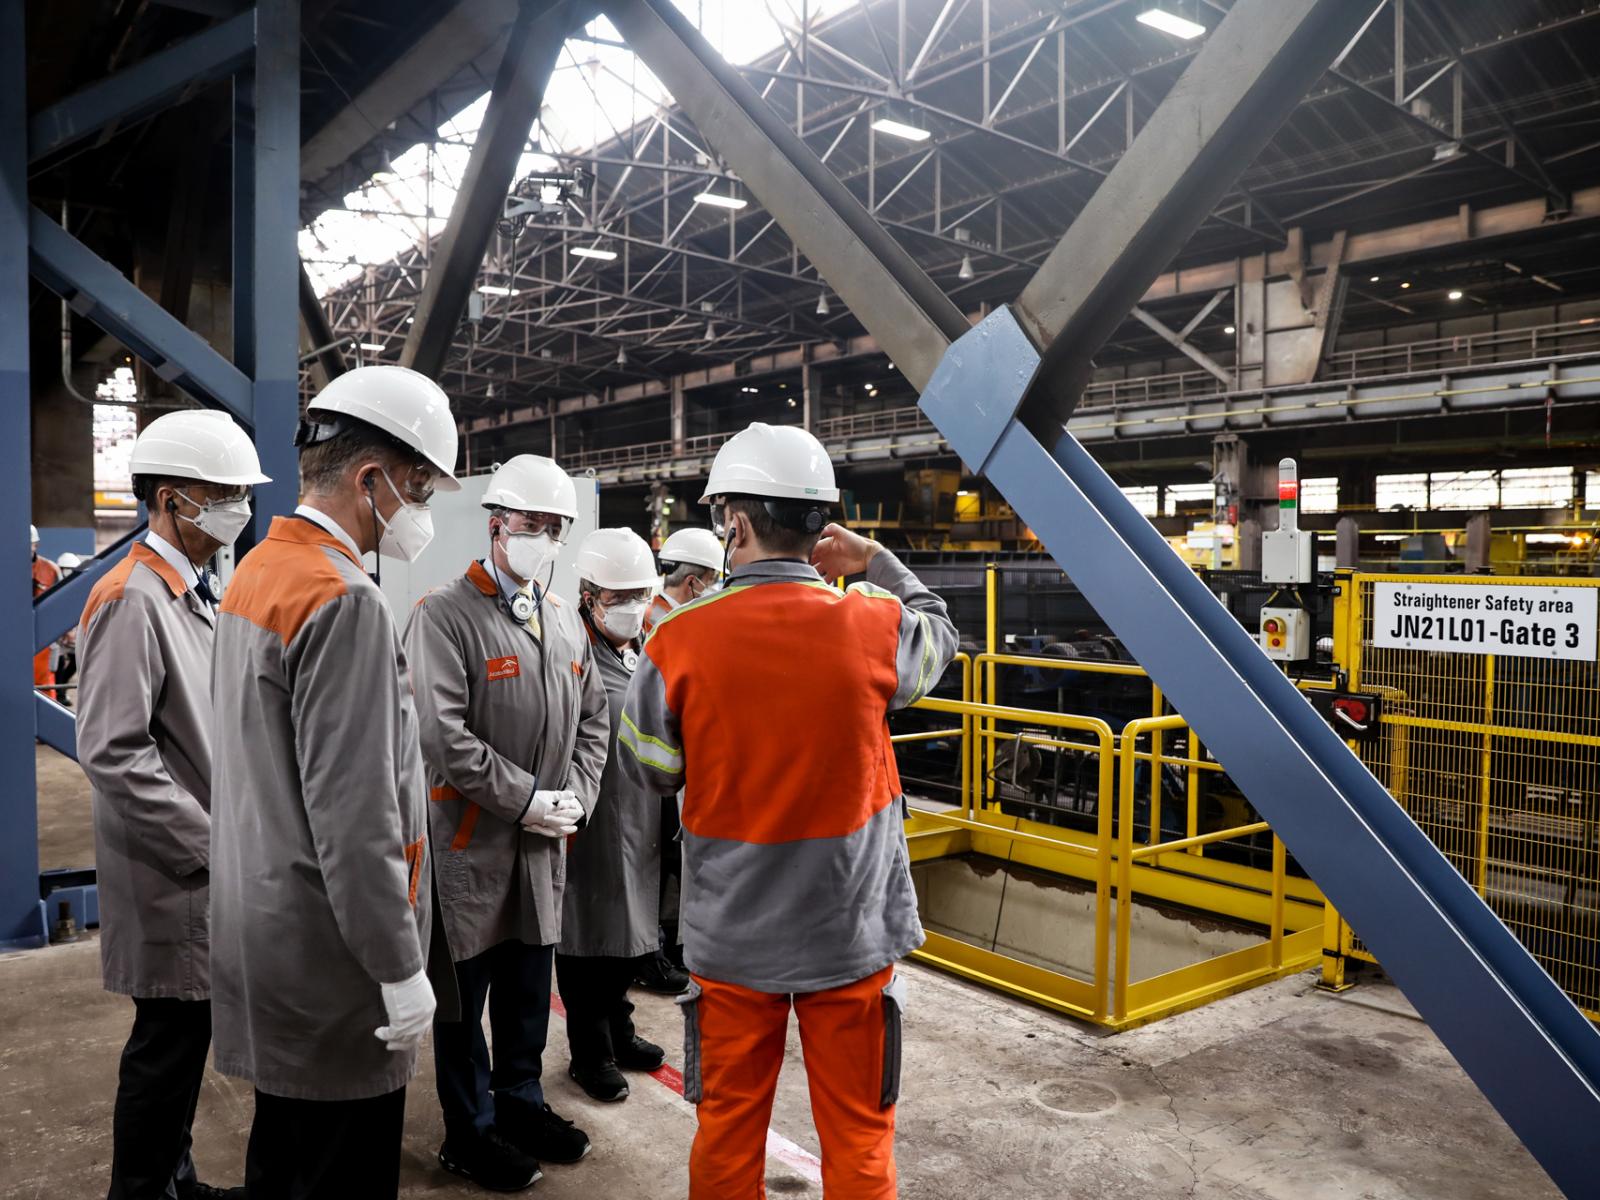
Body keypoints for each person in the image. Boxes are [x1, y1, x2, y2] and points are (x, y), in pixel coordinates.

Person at [619, 422, 958, 1200]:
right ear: (820, 526)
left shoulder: (675, 640)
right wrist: (873, 562)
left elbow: (653, 771)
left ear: (732, 522)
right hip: (852, 933)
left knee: (730, 1131)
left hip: (736, 941)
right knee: (861, 1138)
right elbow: (940, 628)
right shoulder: (873, 625)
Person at [209, 366, 459, 1200]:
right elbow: (356, 821)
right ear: (370, 480)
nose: (422, 512)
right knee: (338, 1167)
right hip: (335, 959)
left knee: (286, 1160)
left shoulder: (257, 572)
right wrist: (397, 963)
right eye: (420, 489)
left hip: (268, 932)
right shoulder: (343, 600)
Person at [76, 409, 269, 1200]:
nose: (235, 510)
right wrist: (213, 842)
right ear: (167, 499)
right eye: (218, 495)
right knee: (164, 1044)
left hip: (201, 864)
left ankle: (174, 1176)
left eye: (237, 494)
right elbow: (115, 751)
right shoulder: (131, 599)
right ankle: (141, 1188)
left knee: (185, 1040)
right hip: (173, 870)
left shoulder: (189, 589)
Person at [404, 453, 607, 1191]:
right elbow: (444, 738)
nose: (545, 540)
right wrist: (527, 800)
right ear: (497, 526)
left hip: (542, 846)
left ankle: (520, 1105)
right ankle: (470, 1132)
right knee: (464, 1007)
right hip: (473, 849)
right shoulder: (444, 615)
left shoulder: (561, 621)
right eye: (533, 525)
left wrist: (578, 793)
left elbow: (595, 717)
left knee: (528, 995)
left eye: (557, 529)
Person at [556, 527, 671, 1103]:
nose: (631, 607)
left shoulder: (643, 647)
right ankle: (590, 1051)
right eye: (618, 597)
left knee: (631, 932)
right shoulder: (569, 650)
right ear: (588, 595)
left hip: (641, 811)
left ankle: (620, 1031)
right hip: (593, 813)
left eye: (639, 595)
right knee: (587, 935)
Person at [635, 526, 723, 997]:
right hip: (664, 767)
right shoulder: (666, 624)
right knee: (664, 861)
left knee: (667, 863)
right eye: (713, 581)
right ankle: (653, 955)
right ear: (695, 584)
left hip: (660, 762)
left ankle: (660, 948)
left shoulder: (652, 613)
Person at [641, 526, 723, 636]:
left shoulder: (652, 614)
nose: (711, 587)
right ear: (691, 582)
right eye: (710, 580)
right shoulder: (668, 624)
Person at [32, 525, 62, 699]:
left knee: (44, 683)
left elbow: (63, 600)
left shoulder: (50, 569)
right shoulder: (7, 569)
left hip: (44, 635)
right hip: (15, 635)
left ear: (36, 545)